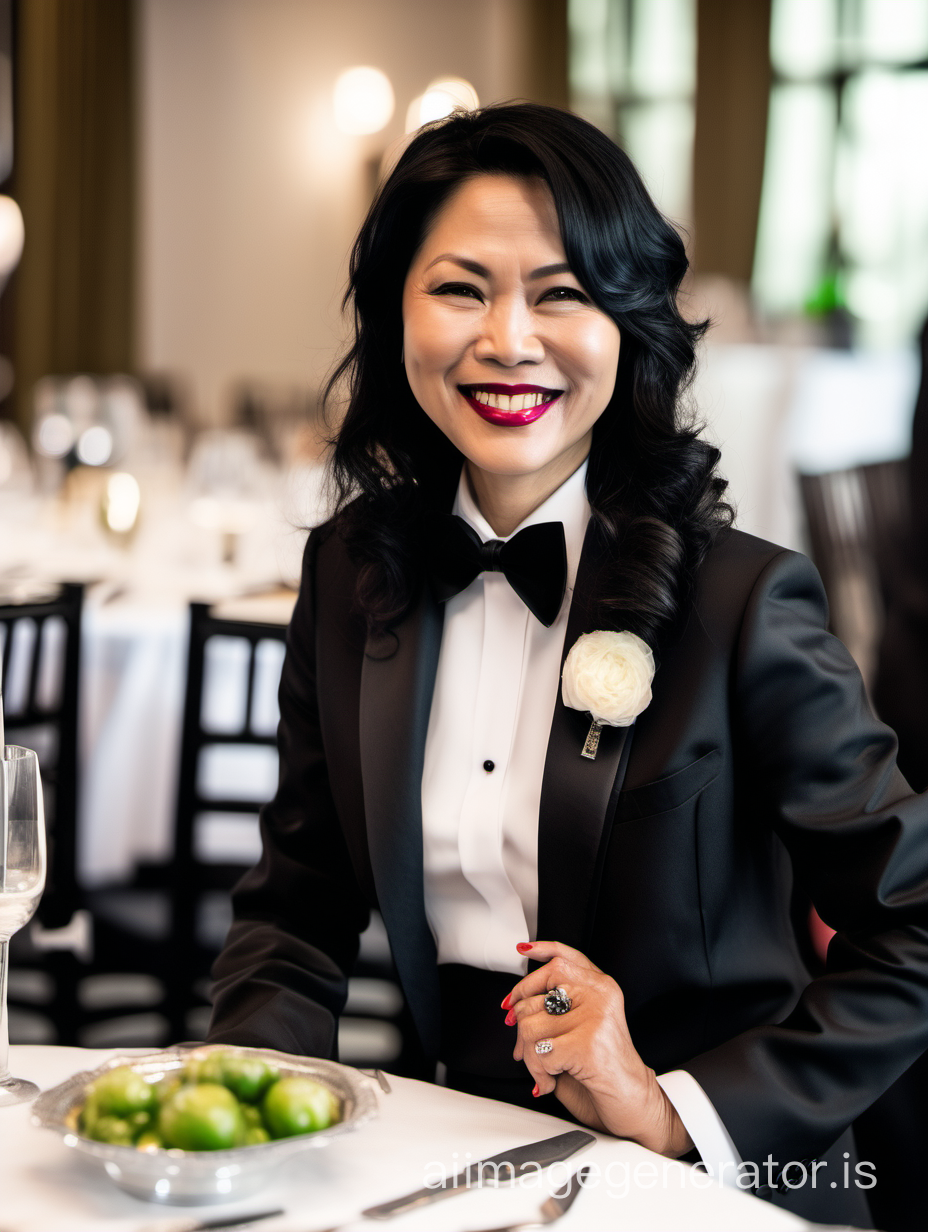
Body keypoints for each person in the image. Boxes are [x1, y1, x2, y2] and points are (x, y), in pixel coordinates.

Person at [208, 103, 928, 1226]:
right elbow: (297, 910)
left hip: (720, 1180)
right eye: (459, 287)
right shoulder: (351, 576)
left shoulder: (741, 602)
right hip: (454, 1162)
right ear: (397, 310)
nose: (507, 339)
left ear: (627, 323)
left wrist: (671, 1104)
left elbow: (912, 922)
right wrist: (241, 1110)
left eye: (560, 292)